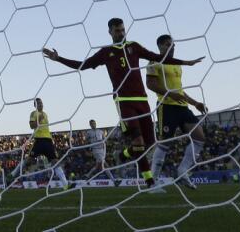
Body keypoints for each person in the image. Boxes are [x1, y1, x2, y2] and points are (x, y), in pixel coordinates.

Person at [43, 17, 169, 187]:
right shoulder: (105, 53)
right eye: (117, 30)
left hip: (142, 100)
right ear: (110, 32)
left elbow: (155, 57)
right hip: (123, 101)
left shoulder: (134, 47)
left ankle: (123, 154)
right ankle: (150, 182)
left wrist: (170, 54)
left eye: (123, 29)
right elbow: (82, 65)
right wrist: (59, 59)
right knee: (138, 142)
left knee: (150, 143)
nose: (121, 33)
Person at [144, 34, 207, 190]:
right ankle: (153, 182)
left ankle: (182, 172)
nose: (171, 47)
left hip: (182, 106)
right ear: (159, 46)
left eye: (172, 45)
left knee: (199, 137)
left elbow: (180, 91)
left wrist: (195, 103)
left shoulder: (177, 65)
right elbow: (150, 84)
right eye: (167, 44)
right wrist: (170, 94)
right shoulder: (154, 61)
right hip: (166, 106)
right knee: (166, 142)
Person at [26, 98, 68, 187]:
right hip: (39, 140)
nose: (41, 104)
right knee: (28, 160)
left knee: (55, 161)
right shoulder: (34, 113)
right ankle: (14, 175)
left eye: (41, 103)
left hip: (48, 140)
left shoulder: (45, 114)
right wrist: (39, 120)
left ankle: (66, 184)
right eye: (38, 103)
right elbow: (31, 126)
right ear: (35, 105)